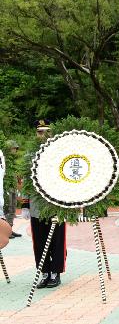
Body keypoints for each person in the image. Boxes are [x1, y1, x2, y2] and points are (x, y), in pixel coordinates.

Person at [23, 120, 66, 288]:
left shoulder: (59, 153)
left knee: (56, 240)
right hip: (36, 206)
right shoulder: (29, 155)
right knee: (40, 241)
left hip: (55, 205)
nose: (43, 135)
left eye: (46, 131)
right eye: (40, 132)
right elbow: (27, 181)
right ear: (36, 133)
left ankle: (55, 272)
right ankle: (44, 272)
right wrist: (25, 204)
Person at [3, 140, 20, 235]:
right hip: (6, 187)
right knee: (7, 208)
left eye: (16, 149)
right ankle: (5, 231)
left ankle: (10, 229)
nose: (15, 150)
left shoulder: (14, 160)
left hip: (13, 186)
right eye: (14, 148)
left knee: (13, 207)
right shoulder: (4, 159)